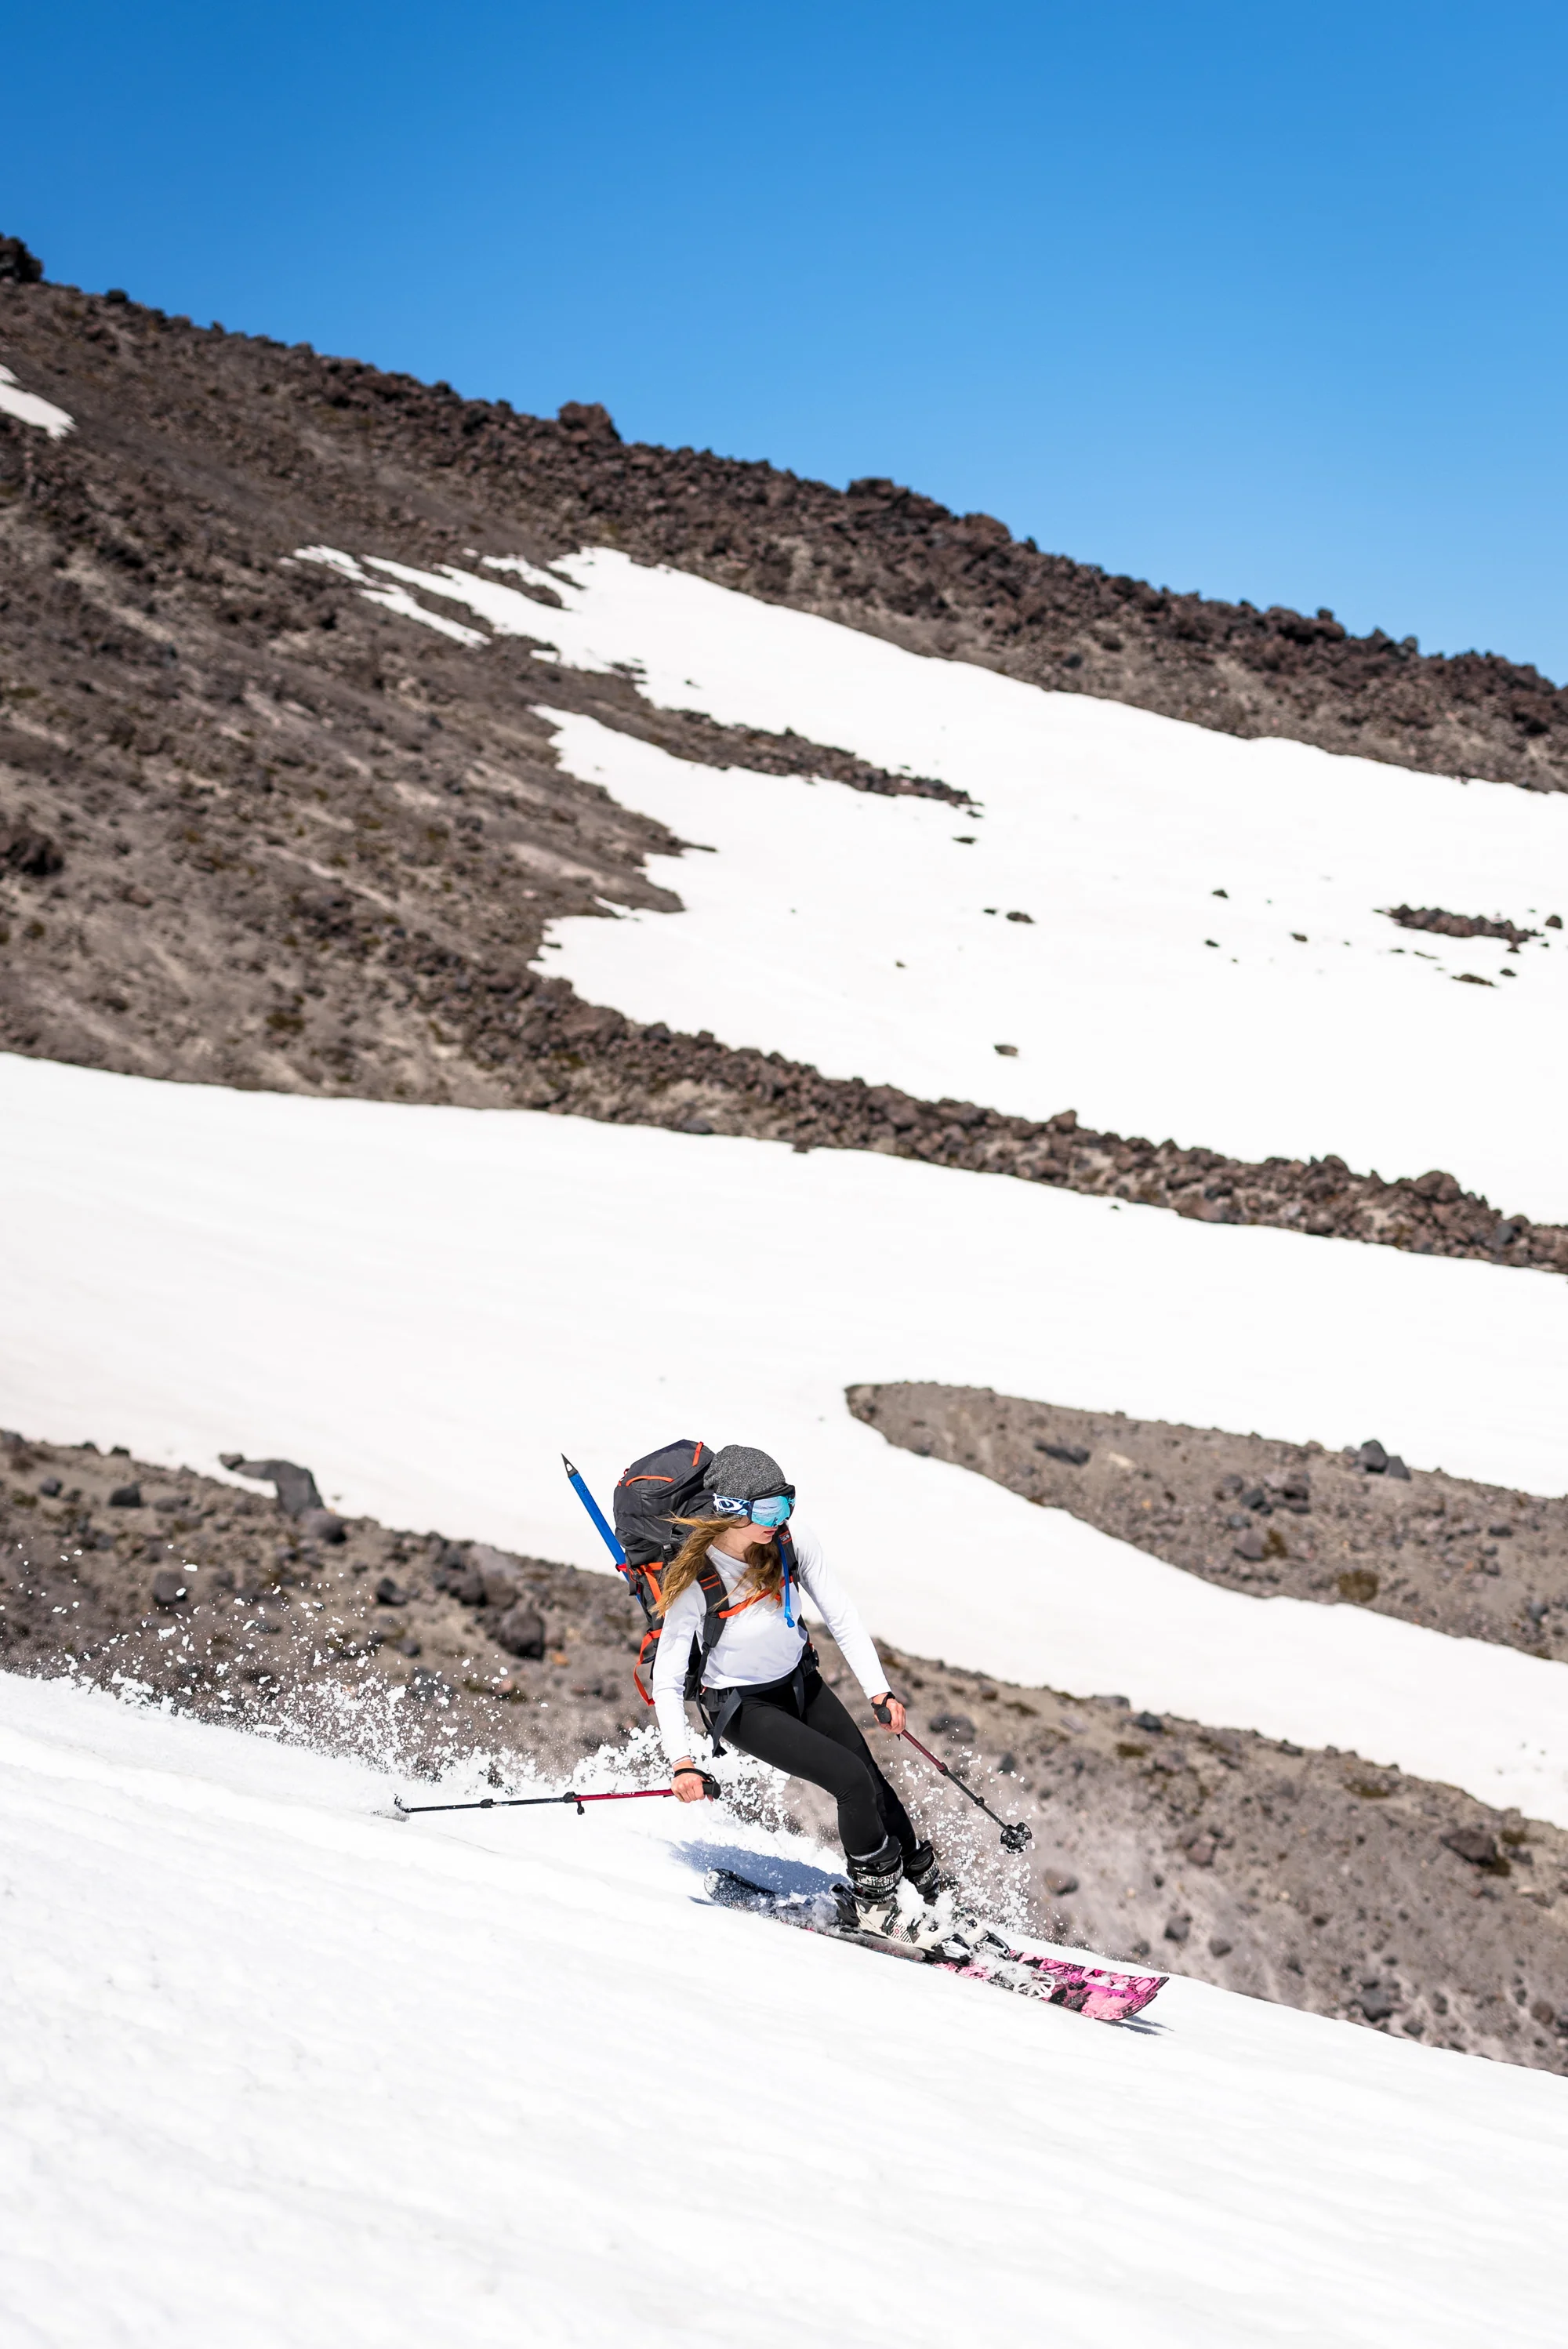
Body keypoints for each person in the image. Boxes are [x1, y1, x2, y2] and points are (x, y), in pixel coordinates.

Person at [656, 1443, 963, 1948]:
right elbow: (667, 1678)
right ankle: (874, 1905)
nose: (780, 1519)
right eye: (767, 1510)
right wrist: (682, 1763)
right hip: (742, 1707)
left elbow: (840, 1615)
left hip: (800, 1682)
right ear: (730, 1510)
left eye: (786, 1504)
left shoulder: (791, 1543)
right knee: (849, 1779)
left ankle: (924, 1889)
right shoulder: (697, 1578)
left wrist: (880, 1692)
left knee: (870, 1778)